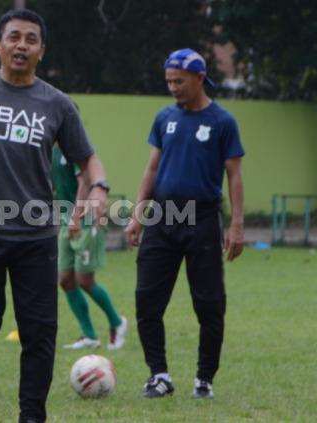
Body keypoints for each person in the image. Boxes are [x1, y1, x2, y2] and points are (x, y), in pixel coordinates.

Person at [0, 9, 109, 423]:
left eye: (31, 39)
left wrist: (99, 188)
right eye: (14, 37)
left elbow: (88, 158)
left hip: (36, 237)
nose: (21, 45)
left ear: (41, 51)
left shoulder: (57, 104)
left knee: (40, 333)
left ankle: (32, 416)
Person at [125, 48, 245, 400]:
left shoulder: (223, 122)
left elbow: (234, 176)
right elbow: (152, 169)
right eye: (169, 82)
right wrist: (137, 215)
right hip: (163, 217)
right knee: (147, 301)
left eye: (179, 81)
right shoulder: (165, 118)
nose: (173, 88)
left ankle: (204, 379)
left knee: (208, 303)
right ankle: (158, 375)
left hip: (203, 219)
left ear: (199, 78)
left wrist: (236, 226)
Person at [51, 145, 127, 350]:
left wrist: (77, 216)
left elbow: (84, 182)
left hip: (85, 220)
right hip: (68, 221)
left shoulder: (75, 149)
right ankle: (89, 335)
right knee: (66, 280)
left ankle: (117, 322)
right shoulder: (50, 150)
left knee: (84, 280)